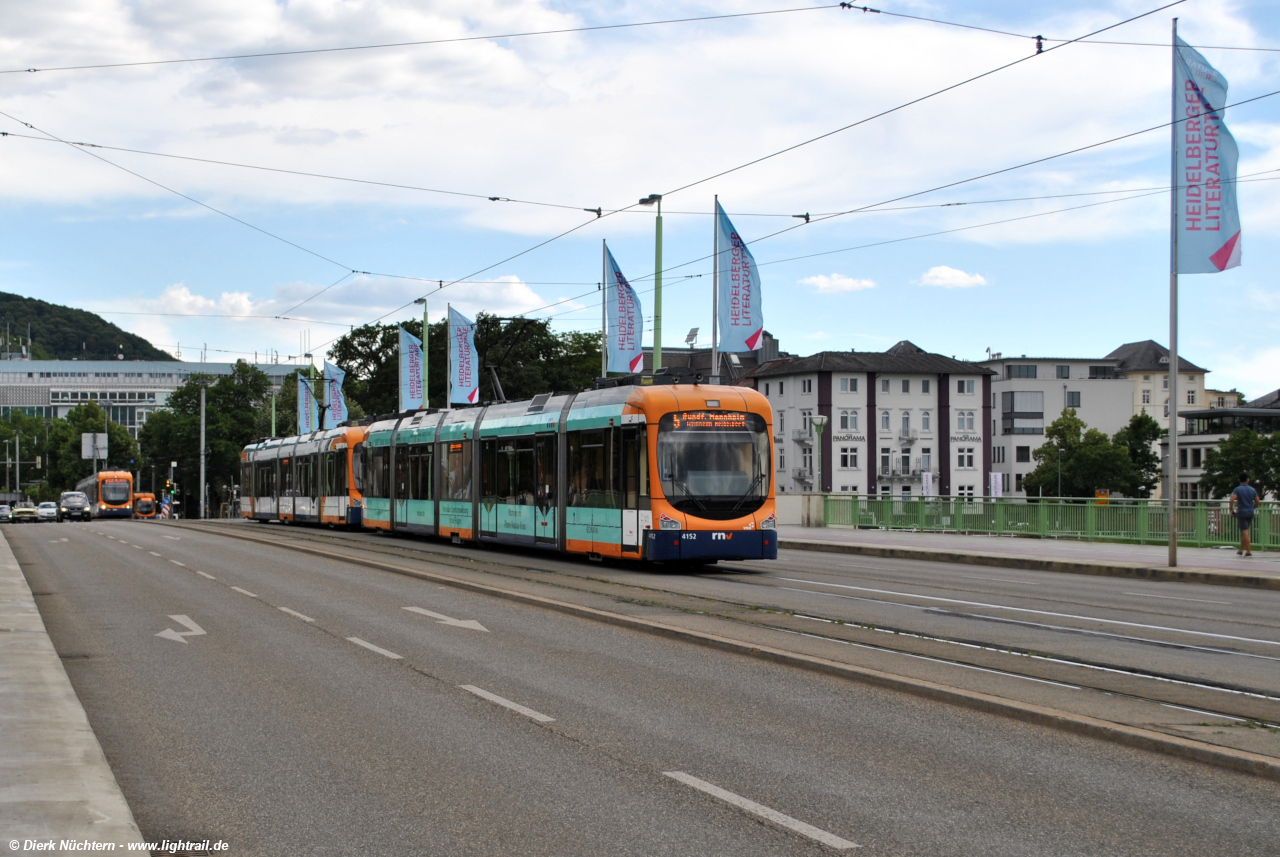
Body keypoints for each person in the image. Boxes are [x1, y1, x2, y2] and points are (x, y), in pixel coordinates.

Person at [1228, 472, 1260, 557]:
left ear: (1239, 480)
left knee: (1245, 532)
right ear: (1247, 480)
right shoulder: (1252, 490)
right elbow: (1257, 501)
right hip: (1250, 511)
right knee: (1244, 531)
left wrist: (1231, 510)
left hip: (1242, 512)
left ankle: (1248, 551)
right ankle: (1241, 550)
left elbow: (1232, 500)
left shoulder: (1237, 489)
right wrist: (1254, 507)